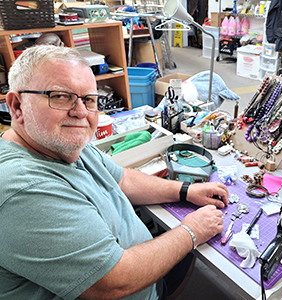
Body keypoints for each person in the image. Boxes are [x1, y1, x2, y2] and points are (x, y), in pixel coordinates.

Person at [0, 45, 229, 300]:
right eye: (60, 96)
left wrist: (185, 190)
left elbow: (123, 178)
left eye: (88, 99)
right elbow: (113, 281)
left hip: (148, 278)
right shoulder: (23, 189)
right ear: (17, 106)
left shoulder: (62, 144)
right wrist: (191, 231)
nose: (80, 112)